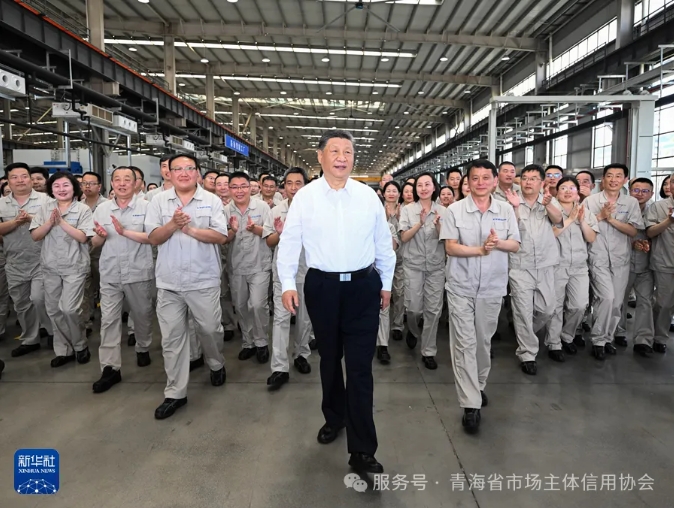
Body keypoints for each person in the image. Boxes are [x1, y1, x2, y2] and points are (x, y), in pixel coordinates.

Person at [277, 129, 395, 474]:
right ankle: (334, 417)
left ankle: (362, 449)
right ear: (320, 156)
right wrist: (288, 284)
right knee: (329, 359)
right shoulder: (306, 197)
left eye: (348, 151)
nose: (342, 157)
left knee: (360, 368)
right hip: (323, 287)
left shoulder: (368, 197)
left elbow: (383, 243)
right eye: (335, 151)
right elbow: (289, 243)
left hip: (363, 287)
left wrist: (386, 283)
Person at [145, 154, 229, 419]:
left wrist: (191, 230)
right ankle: (175, 393)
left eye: (189, 168)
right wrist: (173, 224)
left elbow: (221, 236)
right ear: (168, 173)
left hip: (203, 279)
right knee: (172, 338)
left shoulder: (211, 201)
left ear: (198, 173)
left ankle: (216, 362)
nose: (183, 173)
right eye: (177, 169)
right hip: (169, 281)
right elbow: (153, 238)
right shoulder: (158, 201)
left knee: (210, 329)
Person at [440, 159, 520, 433]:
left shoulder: (505, 210)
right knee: (464, 344)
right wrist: (481, 250)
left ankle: (479, 384)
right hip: (461, 286)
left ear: (495, 181)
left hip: (492, 286)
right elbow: (450, 248)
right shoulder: (455, 210)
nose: (481, 182)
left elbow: (515, 244)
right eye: (475, 178)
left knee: (483, 343)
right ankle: (470, 404)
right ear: (468, 181)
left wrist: (498, 243)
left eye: (486, 177)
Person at [91, 167, 155, 393]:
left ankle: (143, 346)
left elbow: (153, 237)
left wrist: (124, 231)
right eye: (117, 179)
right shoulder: (102, 209)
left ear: (137, 183)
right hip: (110, 272)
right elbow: (95, 243)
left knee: (142, 314)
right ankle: (110, 368)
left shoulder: (147, 207)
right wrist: (99, 237)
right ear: (111, 184)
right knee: (108, 320)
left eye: (127, 179)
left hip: (138, 271)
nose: (121, 183)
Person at [30, 171, 94, 367]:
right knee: (54, 310)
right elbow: (35, 236)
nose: (61, 189)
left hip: (75, 267)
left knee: (69, 309)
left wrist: (62, 222)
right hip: (50, 266)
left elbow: (83, 237)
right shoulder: (45, 208)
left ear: (74, 187)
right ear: (51, 189)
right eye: (56, 186)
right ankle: (64, 350)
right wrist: (50, 222)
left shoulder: (83, 209)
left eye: (66, 185)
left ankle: (80, 345)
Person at [503, 164, 563, 374]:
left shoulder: (549, 200)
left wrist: (548, 204)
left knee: (547, 309)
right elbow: (508, 229)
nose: (528, 182)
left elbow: (558, 220)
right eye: (525, 178)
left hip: (545, 264)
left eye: (533, 178)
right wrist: (514, 207)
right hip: (520, 265)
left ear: (541, 182)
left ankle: (525, 331)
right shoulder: (510, 201)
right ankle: (527, 353)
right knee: (523, 310)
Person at [583, 163, 642, 361]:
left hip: (621, 258)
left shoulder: (631, 203)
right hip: (598, 257)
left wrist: (611, 220)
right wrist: (601, 216)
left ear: (625, 180)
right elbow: (583, 226)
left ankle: (607, 338)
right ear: (603, 178)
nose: (613, 180)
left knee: (616, 303)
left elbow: (633, 231)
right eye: (609, 175)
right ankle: (598, 340)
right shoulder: (591, 201)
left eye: (618, 176)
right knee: (606, 298)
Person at [266, 167, 314, 388]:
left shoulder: (314, 210)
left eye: (298, 183)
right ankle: (279, 367)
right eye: (289, 183)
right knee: (281, 319)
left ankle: (302, 354)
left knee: (305, 317)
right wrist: (280, 232)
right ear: (283, 186)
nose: (293, 188)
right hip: (283, 273)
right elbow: (269, 241)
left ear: (305, 186)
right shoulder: (276, 210)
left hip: (308, 271)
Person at [0, 163, 52, 357]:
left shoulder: (47, 200)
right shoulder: (1, 203)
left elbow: (54, 224)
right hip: (14, 261)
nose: (20, 180)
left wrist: (31, 219)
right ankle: (31, 339)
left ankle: (53, 332)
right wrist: (15, 222)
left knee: (39, 298)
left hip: (42, 259)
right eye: (14, 177)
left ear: (30, 179)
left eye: (24, 176)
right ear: (8, 181)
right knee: (21, 304)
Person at [545, 177, 598, 358]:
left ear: (577, 192)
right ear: (557, 192)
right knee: (555, 306)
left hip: (579, 267)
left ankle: (567, 336)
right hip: (556, 265)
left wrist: (581, 220)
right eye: (563, 188)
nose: (567, 191)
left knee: (579, 305)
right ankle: (554, 343)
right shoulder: (550, 210)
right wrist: (570, 219)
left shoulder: (585, 212)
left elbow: (591, 238)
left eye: (572, 188)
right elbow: (551, 234)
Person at [399, 172, 445, 370]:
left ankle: (428, 351)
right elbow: (404, 237)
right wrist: (420, 222)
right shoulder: (408, 210)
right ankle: (413, 330)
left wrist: (438, 226)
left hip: (436, 267)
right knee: (414, 309)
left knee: (433, 310)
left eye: (427, 184)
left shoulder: (443, 211)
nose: (424, 188)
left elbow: (446, 239)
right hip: (413, 265)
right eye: (420, 185)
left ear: (434, 187)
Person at [226, 171, 274, 362]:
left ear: (251, 187)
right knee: (240, 306)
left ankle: (261, 342)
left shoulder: (262, 207)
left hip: (259, 264)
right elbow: (222, 239)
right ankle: (248, 342)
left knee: (257, 305)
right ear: (229, 189)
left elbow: (271, 234)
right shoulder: (225, 210)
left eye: (243, 186)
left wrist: (255, 229)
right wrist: (232, 230)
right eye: (235, 187)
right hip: (236, 266)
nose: (239, 191)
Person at [615, 178, 655, 355]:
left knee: (645, 301)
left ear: (651, 194)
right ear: (629, 191)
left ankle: (643, 340)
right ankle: (618, 332)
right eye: (636, 190)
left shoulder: (655, 210)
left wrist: (648, 243)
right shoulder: (619, 208)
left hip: (646, 264)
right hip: (623, 261)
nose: (640, 194)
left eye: (645, 191)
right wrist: (632, 243)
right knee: (620, 300)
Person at [645, 172, 674, 353]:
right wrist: (669, 221)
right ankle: (659, 337)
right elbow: (650, 232)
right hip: (665, 261)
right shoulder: (659, 206)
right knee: (664, 303)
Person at [81, 171, 107, 336]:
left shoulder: (107, 206)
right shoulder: (77, 206)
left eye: (91, 183)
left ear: (99, 186)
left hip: (102, 254)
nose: (87, 186)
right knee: (85, 290)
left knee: (105, 289)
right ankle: (86, 322)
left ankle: (107, 321)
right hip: (82, 254)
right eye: (84, 183)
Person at [382, 181, 405, 345]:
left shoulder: (404, 210)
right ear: (383, 193)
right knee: (384, 292)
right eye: (388, 190)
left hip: (401, 257)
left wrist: (398, 217)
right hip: (383, 259)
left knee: (399, 292)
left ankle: (398, 325)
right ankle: (382, 331)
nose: (391, 193)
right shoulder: (378, 209)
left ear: (399, 194)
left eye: (394, 190)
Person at [214, 173, 236, 338]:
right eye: (219, 184)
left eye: (226, 184)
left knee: (238, 291)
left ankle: (243, 320)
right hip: (218, 253)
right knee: (222, 291)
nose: (222, 187)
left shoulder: (239, 203)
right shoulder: (211, 204)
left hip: (237, 252)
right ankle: (228, 323)